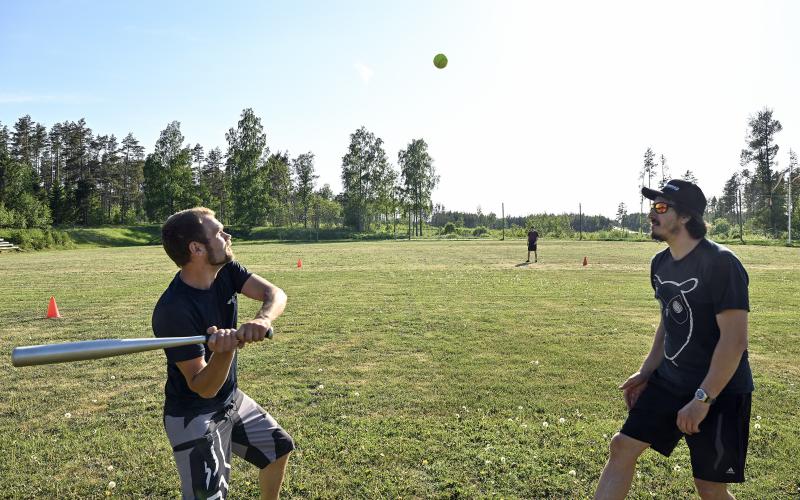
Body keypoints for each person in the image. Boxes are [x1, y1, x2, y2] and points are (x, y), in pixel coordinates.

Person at [594, 180, 753, 500]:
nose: (652, 213)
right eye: (653, 206)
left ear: (685, 217)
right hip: (670, 381)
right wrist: (647, 371)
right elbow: (668, 322)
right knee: (622, 447)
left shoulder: (722, 263)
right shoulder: (661, 263)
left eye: (662, 207)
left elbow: (734, 341)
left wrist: (702, 399)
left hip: (720, 390)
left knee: (709, 486)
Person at [152, 207, 294, 500]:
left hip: (230, 400)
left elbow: (275, 294)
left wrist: (263, 319)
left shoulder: (226, 271)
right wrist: (225, 352)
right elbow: (203, 387)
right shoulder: (172, 310)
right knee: (209, 497)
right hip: (193, 416)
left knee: (278, 448)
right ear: (197, 248)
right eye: (218, 232)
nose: (227, 236)